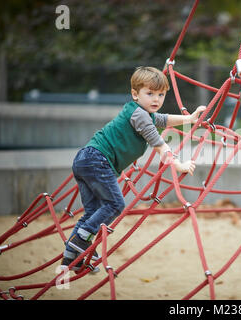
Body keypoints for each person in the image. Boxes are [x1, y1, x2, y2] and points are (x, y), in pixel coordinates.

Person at [61, 66, 206, 272]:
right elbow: (159, 145)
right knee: (115, 205)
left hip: (86, 160)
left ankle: (70, 260)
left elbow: (163, 119)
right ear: (135, 94)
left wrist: (189, 119)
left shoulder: (141, 113)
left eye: (161, 94)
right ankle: (82, 239)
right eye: (150, 94)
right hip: (97, 161)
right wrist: (179, 164)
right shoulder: (139, 115)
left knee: (93, 212)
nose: (156, 99)